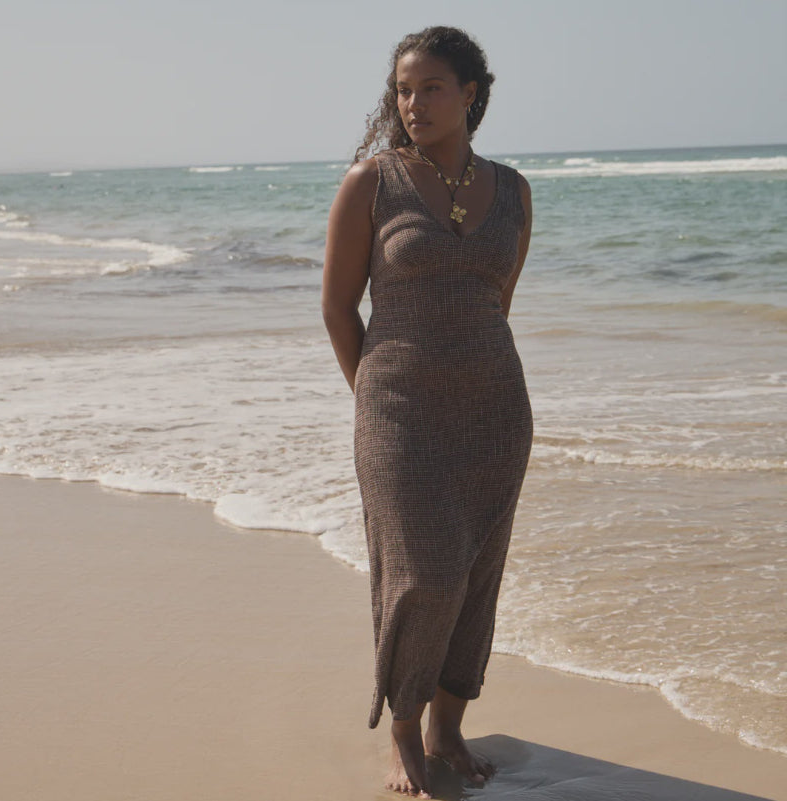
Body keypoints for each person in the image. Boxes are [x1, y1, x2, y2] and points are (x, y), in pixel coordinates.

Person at [322, 26, 533, 799]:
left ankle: (449, 725)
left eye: (432, 88)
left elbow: (497, 302)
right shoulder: (371, 184)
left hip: (496, 412)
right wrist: (377, 400)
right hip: (399, 415)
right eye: (404, 90)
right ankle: (404, 732)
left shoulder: (512, 189)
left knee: (476, 575)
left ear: (470, 93)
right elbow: (339, 309)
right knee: (426, 576)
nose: (413, 103)